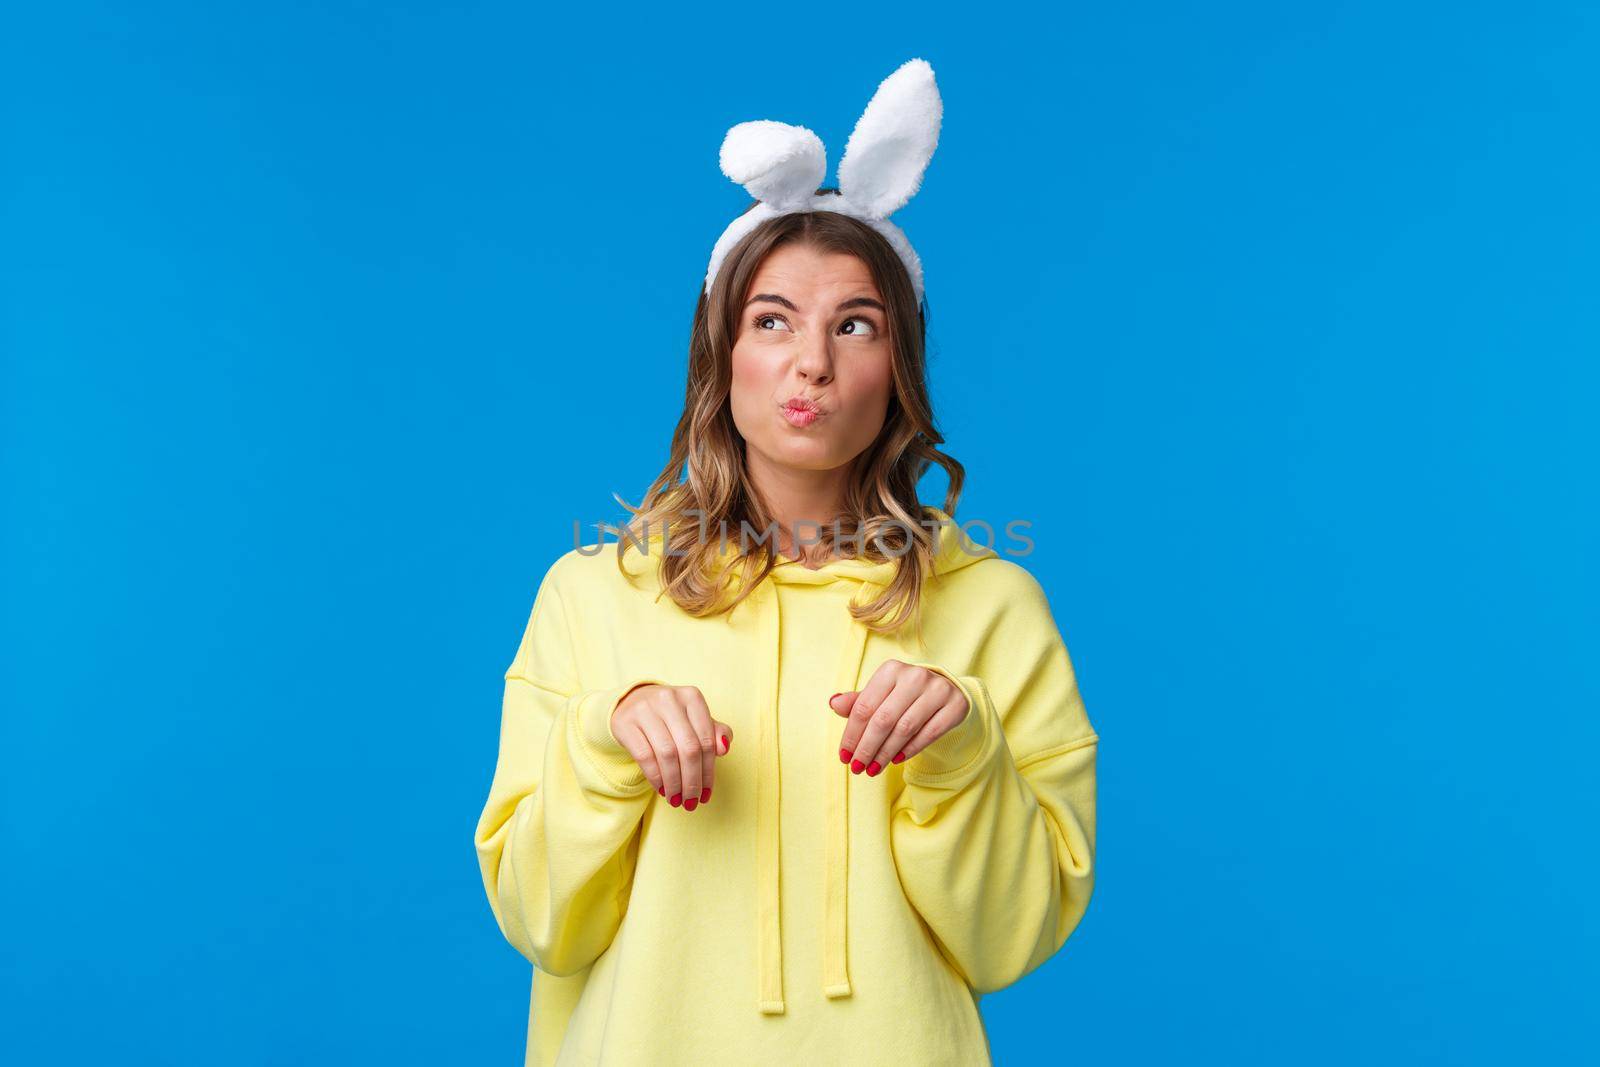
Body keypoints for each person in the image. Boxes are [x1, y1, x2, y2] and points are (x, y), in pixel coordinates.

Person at [473, 58, 1099, 1066]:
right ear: (721, 357)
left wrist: (963, 750)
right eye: (773, 320)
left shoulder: (993, 607)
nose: (812, 362)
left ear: (899, 372)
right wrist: (602, 742)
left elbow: (1010, 942)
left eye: (856, 324)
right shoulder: (591, 596)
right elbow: (539, 921)